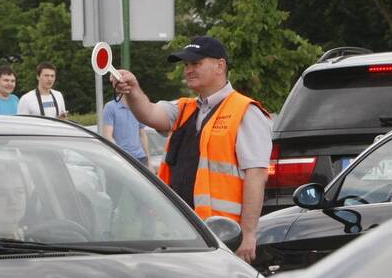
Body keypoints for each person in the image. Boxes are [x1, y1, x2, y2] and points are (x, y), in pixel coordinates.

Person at [111, 35, 272, 263]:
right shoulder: (184, 108)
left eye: (196, 63)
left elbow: (256, 175)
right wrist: (133, 90)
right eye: (186, 65)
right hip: (183, 232)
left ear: (220, 66)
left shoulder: (245, 111)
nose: (188, 70)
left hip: (226, 237)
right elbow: (148, 113)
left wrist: (248, 235)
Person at [101, 96, 150, 166]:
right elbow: (108, 136)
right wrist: (122, 155)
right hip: (122, 159)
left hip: (141, 158)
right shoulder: (110, 107)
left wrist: (149, 160)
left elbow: (142, 135)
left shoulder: (138, 107)